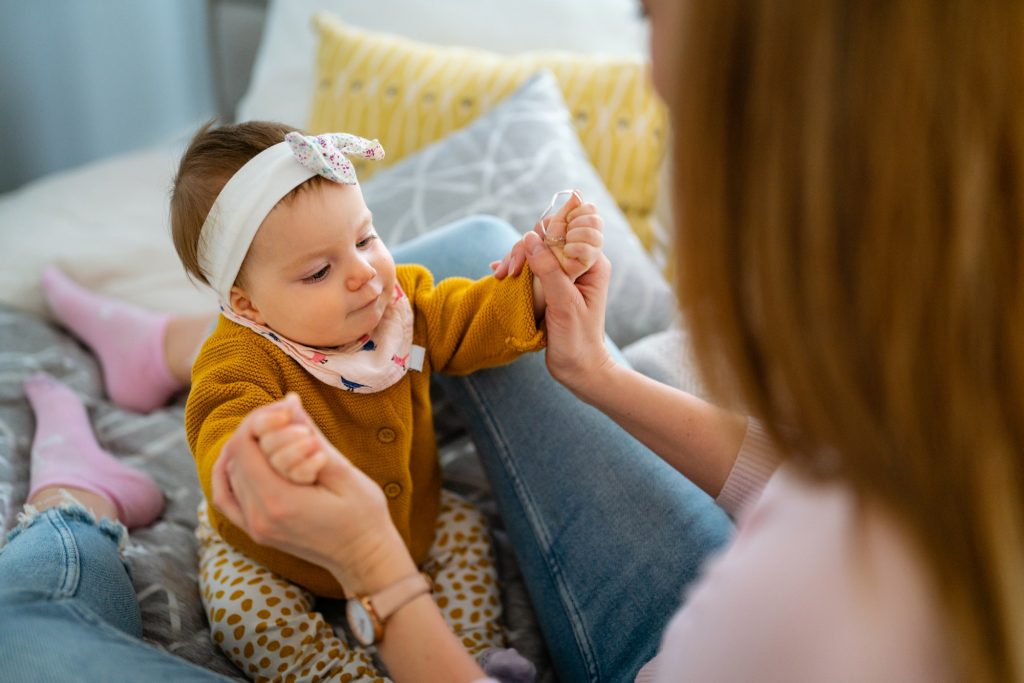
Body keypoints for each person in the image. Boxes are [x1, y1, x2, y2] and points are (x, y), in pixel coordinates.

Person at [5, 0, 1020, 681]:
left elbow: (455, 321)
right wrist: (590, 362)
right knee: (487, 248)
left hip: (396, 533)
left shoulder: (817, 605)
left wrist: (378, 571)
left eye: (365, 240)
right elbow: (226, 427)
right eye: (320, 270)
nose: (367, 274)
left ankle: (72, 504)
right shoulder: (247, 358)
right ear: (247, 302)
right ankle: (157, 349)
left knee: (22, 633)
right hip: (273, 555)